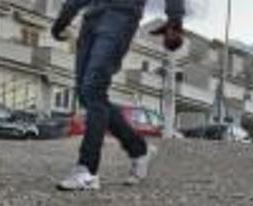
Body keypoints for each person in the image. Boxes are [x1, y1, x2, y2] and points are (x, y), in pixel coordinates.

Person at [52, 0, 185, 191]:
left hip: (120, 16)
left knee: (93, 88)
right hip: (92, 17)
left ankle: (87, 170)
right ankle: (139, 149)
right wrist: (65, 16)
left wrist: (175, 19)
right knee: (86, 94)